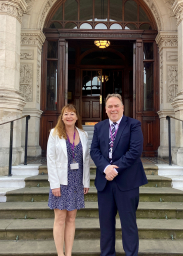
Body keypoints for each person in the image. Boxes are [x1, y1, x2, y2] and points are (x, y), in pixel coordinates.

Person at [90, 94, 148, 256]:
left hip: (127, 182)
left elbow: (135, 151)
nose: (113, 109)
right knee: (106, 225)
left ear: (122, 107)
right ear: (105, 110)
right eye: (110, 106)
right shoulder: (99, 127)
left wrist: (114, 169)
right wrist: (105, 168)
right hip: (105, 183)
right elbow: (94, 151)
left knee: (128, 224)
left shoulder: (133, 125)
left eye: (116, 106)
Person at [47, 104, 90, 256]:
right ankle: (60, 254)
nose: (69, 116)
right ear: (62, 117)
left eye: (72, 114)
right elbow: (50, 160)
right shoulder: (54, 133)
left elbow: (86, 160)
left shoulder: (83, 135)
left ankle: (69, 253)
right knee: (60, 219)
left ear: (77, 117)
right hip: (60, 182)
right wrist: (54, 185)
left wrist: (86, 182)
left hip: (77, 182)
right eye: (66, 114)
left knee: (71, 219)